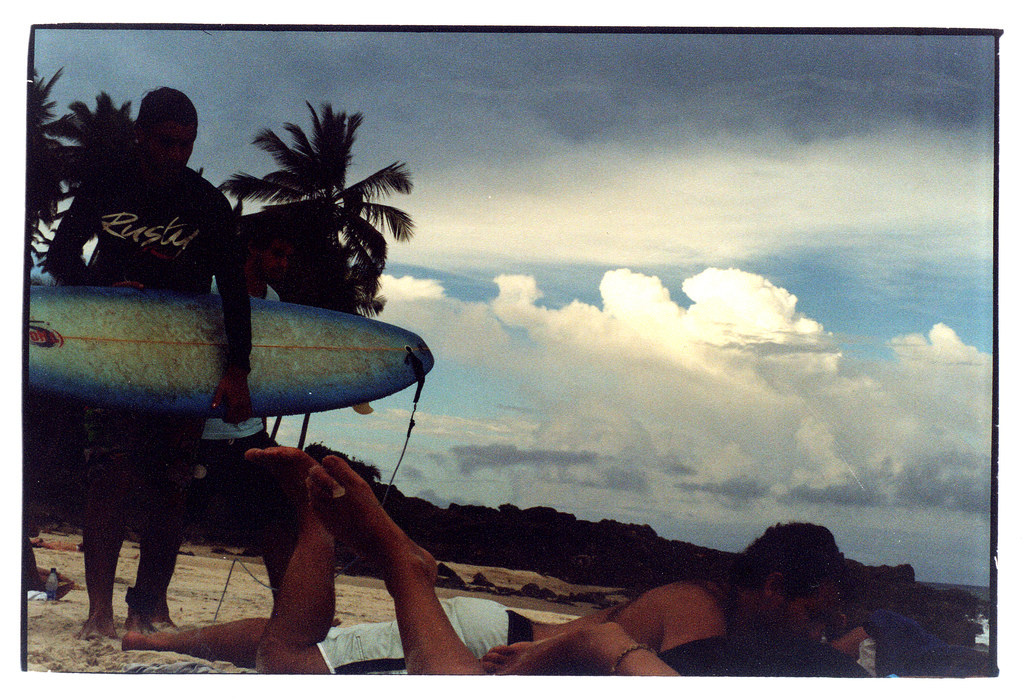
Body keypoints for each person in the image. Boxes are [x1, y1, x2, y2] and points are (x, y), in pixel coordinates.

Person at [125, 447, 865, 676]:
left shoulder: (735, 625)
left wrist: (839, 642)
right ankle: (323, 522)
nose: (817, 627)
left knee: (302, 652)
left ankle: (157, 639)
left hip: (504, 635)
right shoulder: (699, 607)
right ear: (772, 584)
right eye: (813, 610)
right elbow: (612, 645)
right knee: (291, 663)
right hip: (489, 642)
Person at [41, 87, 253, 639]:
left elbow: (233, 290)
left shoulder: (205, 202)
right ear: (141, 135)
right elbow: (59, 257)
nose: (176, 154)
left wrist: (237, 370)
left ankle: (149, 608)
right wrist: (102, 286)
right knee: (109, 478)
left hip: (181, 360)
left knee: (171, 485)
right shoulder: (107, 184)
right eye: (166, 142)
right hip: (115, 354)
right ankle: (98, 613)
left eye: (186, 145)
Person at [187, 228, 297, 593]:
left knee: (278, 516)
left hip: (246, 431)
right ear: (253, 247)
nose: (283, 263)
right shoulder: (210, 288)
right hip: (198, 430)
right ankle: (153, 606)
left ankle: (287, 608)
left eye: (287, 256)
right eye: (277, 252)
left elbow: (263, 364)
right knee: (173, 520)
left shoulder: (275, 299)